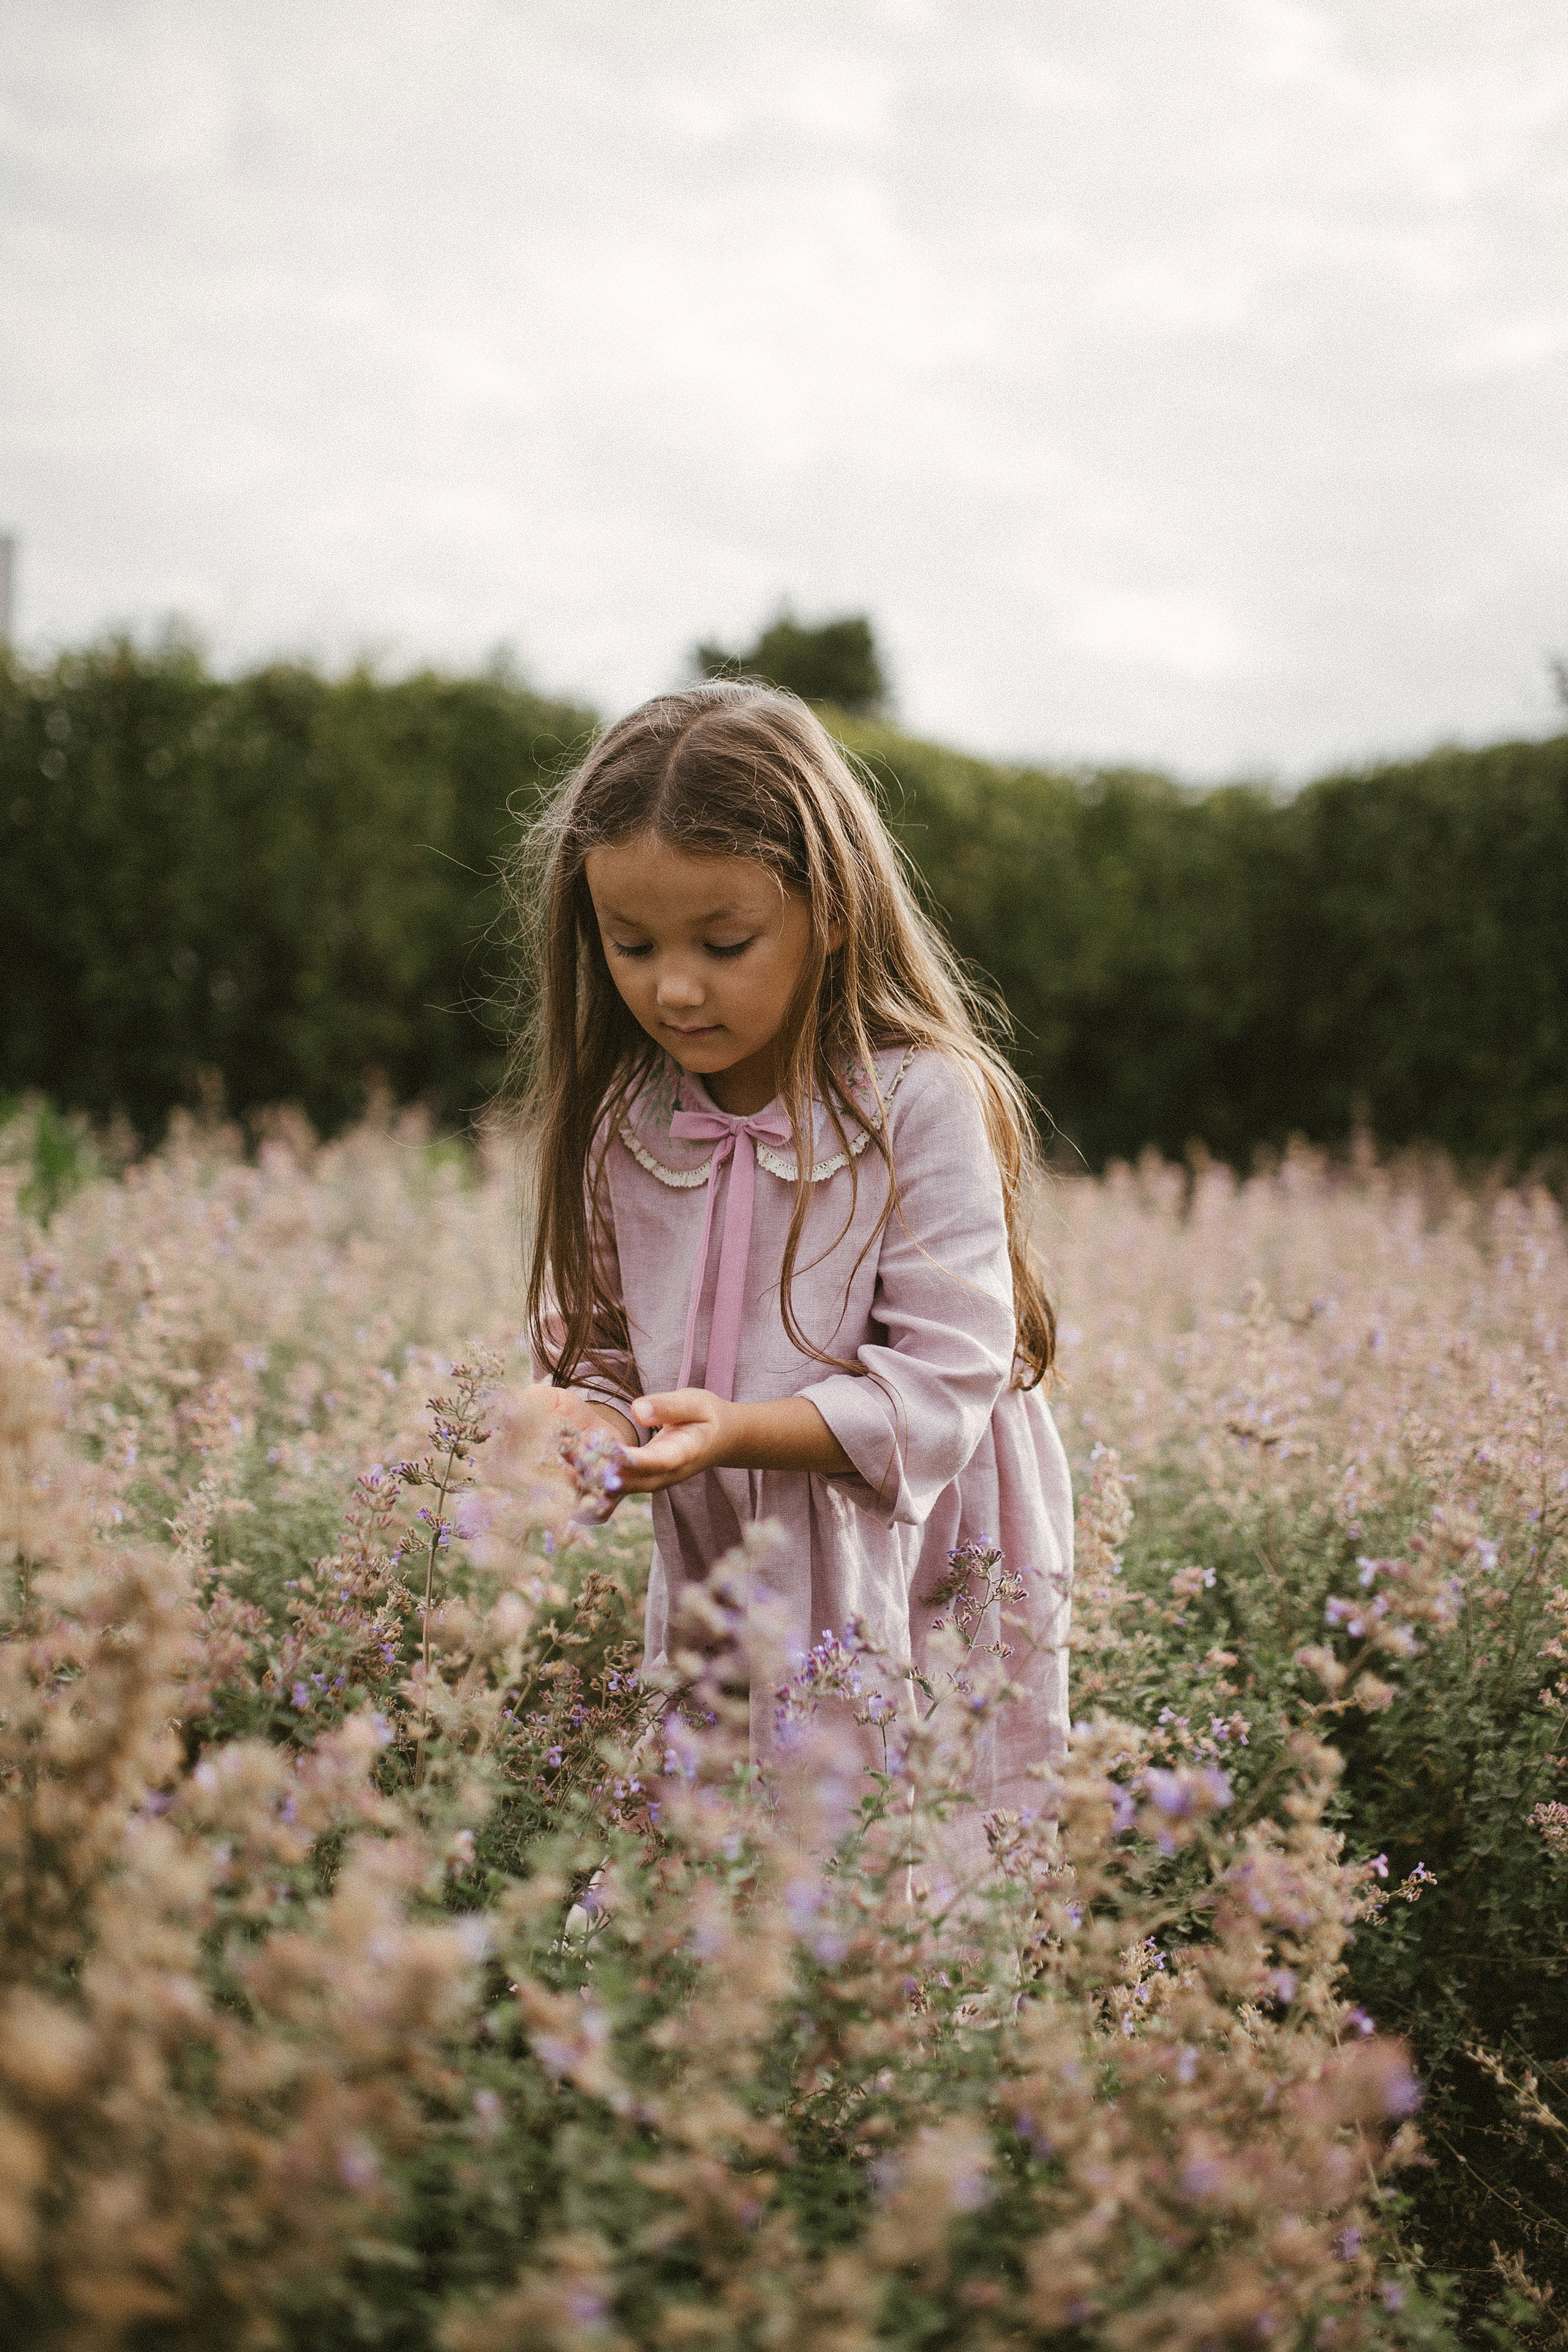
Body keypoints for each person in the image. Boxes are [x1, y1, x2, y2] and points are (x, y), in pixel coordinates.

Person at [516, 681, 1071, 1819]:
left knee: (896, 1849)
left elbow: (951, 1372)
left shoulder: (916, 1099)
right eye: (630, 943)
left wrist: (741, 1431)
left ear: (831, 910)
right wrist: (589, 1428)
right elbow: (607, 1345)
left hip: (904, 1542)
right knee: (718, 1845)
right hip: (732, 1546)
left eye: (725, 943)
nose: (673, 986)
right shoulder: (627, 1118)